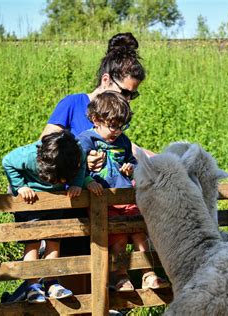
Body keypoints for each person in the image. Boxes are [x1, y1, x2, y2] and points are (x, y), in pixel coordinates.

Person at [39, 32, 150, 295]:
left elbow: (129, 149)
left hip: (105, 214)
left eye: (133, 96)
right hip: (73, 212)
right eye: (125, 92)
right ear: (105, 80)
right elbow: (45, 146)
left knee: (99, 295)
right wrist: (78, 161)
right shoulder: (73, 104)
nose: (128, 99)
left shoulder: (116, 118)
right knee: (74, 292)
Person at [77, 91, 168, 291]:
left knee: (139, 232)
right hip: (105, 200)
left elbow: (133, 161)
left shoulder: (123, 141)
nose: (117, 131)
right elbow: (77, 166)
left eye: (122, 126)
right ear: (95, 119)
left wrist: (131, 168)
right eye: (113, 126)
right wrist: (87, 180)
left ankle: (148, 274)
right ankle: (120, 277)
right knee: (118, 238)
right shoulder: (86, 140)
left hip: (126, 196)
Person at [2, 130, 85, 303]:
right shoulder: (29, 155)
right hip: (30, 202)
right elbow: (7, 161)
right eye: (58, 178)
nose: (61, 181)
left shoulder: (77, 154)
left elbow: (82, 164)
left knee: (55, 240)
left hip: (56, 201)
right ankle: (32, 286)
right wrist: (21, 186)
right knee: (32, 243)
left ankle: (51, 283)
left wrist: (76, 183)